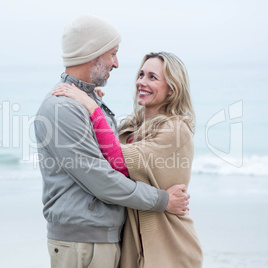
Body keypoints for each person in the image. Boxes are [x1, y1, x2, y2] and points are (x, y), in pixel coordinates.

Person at [34, 14, 191, 268]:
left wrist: (93, 103)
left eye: (152, 77)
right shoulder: (63, 108)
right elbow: (103, 177)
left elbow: (115, 154)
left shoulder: (86, 102)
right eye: (112, 54)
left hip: (109, 241)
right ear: (92, 54)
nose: (116, 64)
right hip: (84, 244)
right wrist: (163, 200)